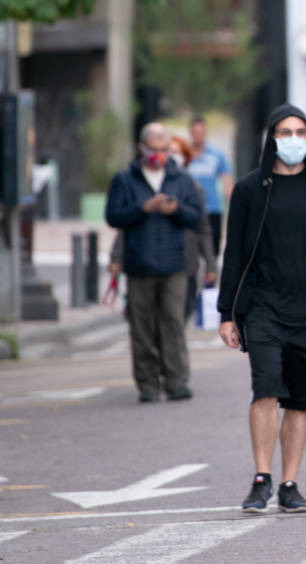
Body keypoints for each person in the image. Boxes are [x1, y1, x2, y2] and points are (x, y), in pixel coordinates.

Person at [217, 103, 306, 513]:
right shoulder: (249, 190)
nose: (293, 140)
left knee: (299, 400)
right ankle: (261, 477)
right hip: (261, 306)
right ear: (271, 138)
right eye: (285, 132)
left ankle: (289, 483)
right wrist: (227, 313)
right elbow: (234, 254)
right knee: (266, 387)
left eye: (301, 133)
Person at [105, 123, 202, 403]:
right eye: (154, 150)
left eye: (164, 150)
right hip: (139, 265)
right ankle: (147, 384)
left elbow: (195, 217)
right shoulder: (125, 179)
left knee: (173, 323)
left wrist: (176, 210)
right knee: (142, 327)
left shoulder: (180, 178)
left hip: (174, 265)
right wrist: (143, 208)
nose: (159, 155)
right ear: (142, 148)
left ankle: (176, 381)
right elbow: (113, 216)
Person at [109, 135, 217, 321]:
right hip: (145, 263)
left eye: (173, 152)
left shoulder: (191, 186)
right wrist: (116, 257)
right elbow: (124, 226)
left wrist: (210, 263)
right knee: (148, 321)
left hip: (184, 263)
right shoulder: (138, 182)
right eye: (167, 151)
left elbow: (202, 228)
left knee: (176, 321)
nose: (166, 156)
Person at [188, 116, 233, 258]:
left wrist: (232, 204)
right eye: (195, 132)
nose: (198, 136)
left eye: (201, 132)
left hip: (213, 209)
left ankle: (210, 279)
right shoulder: (184, 155)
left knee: (212, 251)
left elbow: (227, 180)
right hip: (191, 209)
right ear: (190, 132)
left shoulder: (216, 155)